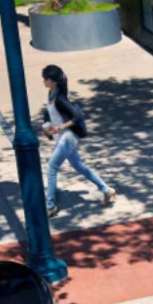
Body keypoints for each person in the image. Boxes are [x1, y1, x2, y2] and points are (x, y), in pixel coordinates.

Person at [41, 64, 115, 216]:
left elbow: (77, 117)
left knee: (51, 168)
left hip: (68, 137)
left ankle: (50, 206)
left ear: (53, 81)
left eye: (46, 78)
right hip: (63, 136)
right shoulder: (52, 93)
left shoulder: (60, 99)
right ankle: (107, 190)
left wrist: (59, 128)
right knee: (78, 165)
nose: (44, 81)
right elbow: (51, 115)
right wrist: (47, 128)